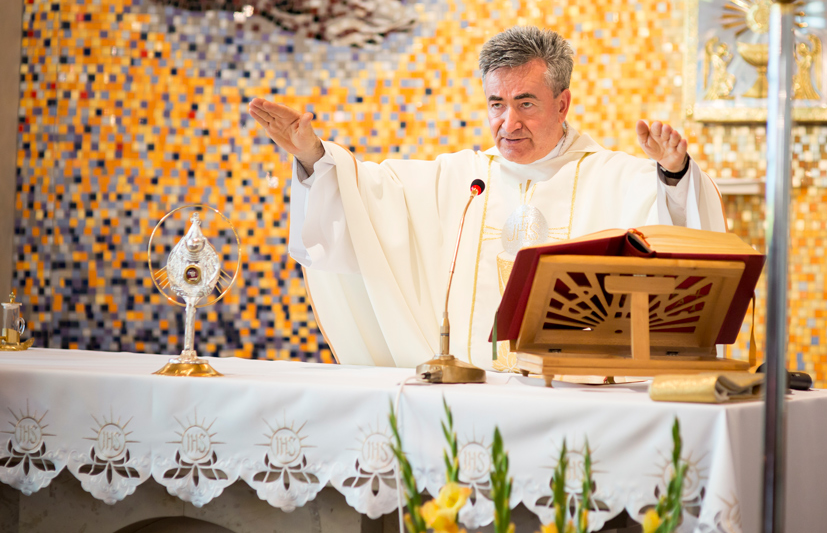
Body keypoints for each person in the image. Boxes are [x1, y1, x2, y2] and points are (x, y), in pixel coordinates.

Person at [250, 26, 726, 370]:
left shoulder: (612, 177)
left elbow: (680, 235)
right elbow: (366, 200)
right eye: (496, 104)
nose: (508, 123)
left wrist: (674, 171)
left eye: (526, 104)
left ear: (562, 104)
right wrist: (313, 155)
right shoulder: (463, 179)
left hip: (579, 398)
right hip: (470, 401)